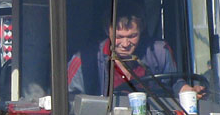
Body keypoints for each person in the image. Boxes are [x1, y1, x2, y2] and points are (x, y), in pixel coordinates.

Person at [67, 10, 195, 98]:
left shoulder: (160, 52)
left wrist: (186, 89)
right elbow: (69, 99)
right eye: (119, 37)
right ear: (107, 31)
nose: (125, 44)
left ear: (142, 30)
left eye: (132, 36)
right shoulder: (85, 59)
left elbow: (174, 83)